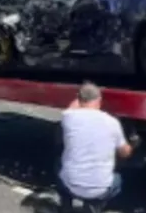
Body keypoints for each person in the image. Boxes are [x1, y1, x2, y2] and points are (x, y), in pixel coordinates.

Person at [57, 82, 132, 213]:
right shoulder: (112, 123)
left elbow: (72, 106)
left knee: (58, 164)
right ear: (99, 100)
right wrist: (131, 147)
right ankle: (96, 205)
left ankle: (66, 206)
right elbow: (124, 153)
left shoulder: (68, 118)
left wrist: (80, 96)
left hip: (70, 185)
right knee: (118, 180)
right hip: (100, 190)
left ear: (79, 99)